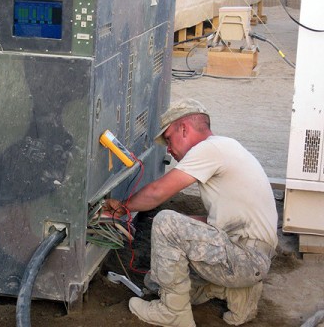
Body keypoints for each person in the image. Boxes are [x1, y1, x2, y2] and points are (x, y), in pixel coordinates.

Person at [105, 98, 278, 327]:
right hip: (253, 258)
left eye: (168, 139)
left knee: (165, 222)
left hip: (243, 258)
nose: (168, 149)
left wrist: (122, 208)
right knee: (155, 281)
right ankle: (238, 294)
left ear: (184, 128)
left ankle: (172, 314)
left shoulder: (208, 149)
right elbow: (218, 222)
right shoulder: (227, 147)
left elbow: (157, 192)